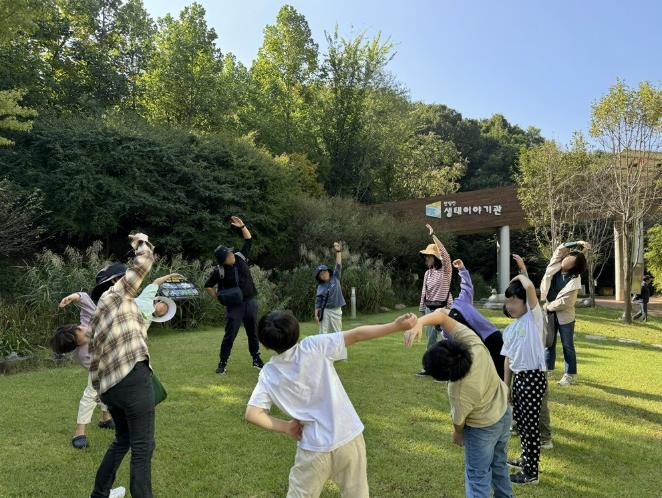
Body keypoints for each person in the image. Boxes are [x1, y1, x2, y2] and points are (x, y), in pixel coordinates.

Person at [245, 310, 417, 498]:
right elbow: (357, 335)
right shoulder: (313, 345)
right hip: (349, 437)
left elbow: (253, 414)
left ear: (265, 345)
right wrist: (395, 326)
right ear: (296, 330)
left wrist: (286, 427)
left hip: (313, 449)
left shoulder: (269, 374)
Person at [405, 309, 512, 498]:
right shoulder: (473, 344)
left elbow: (459, 420)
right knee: (499, 464)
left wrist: (457, 433)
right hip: (504, 413)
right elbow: (442, 317)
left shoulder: (458, 390)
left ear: (443, 376)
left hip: (482, 428)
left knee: (477, 476)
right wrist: (419, 322)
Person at [88, 233, 157, 498]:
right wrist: (140, 242)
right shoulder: (115, 295)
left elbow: (93, 363)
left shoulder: (98, 317)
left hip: (111, 389)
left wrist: (103, 395)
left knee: (123, 440)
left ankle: (100, 494)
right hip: (132, 379)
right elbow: (143, 263)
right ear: (115, 281)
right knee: (142, 446)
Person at [51, 291, 114, 449]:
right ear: (77, 345)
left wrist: (73, 297)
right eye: (83, 337)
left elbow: (85, 300)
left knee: (108, 390)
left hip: (114, 364)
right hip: (99, 368)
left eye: (79, 328)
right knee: (91, 394)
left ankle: (106, 418)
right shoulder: (81, 355)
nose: (86, 331)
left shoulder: (87, 322)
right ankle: (79, 433)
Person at [502, 273, 547, 485]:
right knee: (522, 424)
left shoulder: (533, 318)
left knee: (530, 427)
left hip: (533, 377)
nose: (510, 306)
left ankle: (531, 473)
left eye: (514, 301)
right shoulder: (510, 329)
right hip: (519, 378)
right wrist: (506, 386)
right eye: (507, 301)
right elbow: (507, 359)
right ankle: (525, 460)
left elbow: (529, 288)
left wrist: (519, 275)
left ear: (525, 303)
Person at [204, 216, 263, 375]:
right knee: (230, 335)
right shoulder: (219, 271)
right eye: (229, 254)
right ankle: (222, 363)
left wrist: (242, 226)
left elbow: (248, 240)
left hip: (250, 302)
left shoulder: (240, 257)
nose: (232, 255)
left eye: (231, 252)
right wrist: (218, 298)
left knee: (253, 333)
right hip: (234, 307)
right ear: (223, 260)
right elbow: (208, 286)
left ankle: (256, 359)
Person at [439, 259, 506, 379]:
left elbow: (467, 286)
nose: (438, 312)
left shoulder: (460, 303)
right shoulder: (446, 332)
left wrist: (461, 269)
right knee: (486, 378)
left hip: (492, 337)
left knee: (501, 373)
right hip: (477, 350)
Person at [540, 241, 590, 387]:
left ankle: (570, 375)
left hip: (565, 316)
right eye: (567, 257)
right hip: (549, 314)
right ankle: (547, 370)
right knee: (549, 343)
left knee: (567, 345)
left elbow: (566, 302)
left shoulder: (574, 279)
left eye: (571, 261)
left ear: (574, 266)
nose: (566, 260)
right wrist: (577, 243)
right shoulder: (554, 266)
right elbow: (560, 249)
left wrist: (548, 306)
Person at [417, 223, 453, 377]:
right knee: (431, 341)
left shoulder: (445, 270)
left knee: (447, 339)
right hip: (429, 310)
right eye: (425, 256)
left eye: (429, 256)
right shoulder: (427, 273)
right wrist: (422, 310)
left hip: (444, 310)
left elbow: (445, 255)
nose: (426, 258)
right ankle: (429, 368)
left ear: (435, 257)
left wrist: (433, 235)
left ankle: (450, 367)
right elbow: (424, 293)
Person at [314, 242, 346, 334]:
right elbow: (318, 301)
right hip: (325, 311)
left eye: (324, 272)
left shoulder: (335, 277)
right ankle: (322, 344)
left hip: (336, 310)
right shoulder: (320, 287)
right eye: (321, 274)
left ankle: (336, 344)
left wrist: (338, 251)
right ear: (319, 277)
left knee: (337, 332)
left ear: (328, 272)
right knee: (323, 333)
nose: (323, 275)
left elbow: (338, 264)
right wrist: (316, 314)